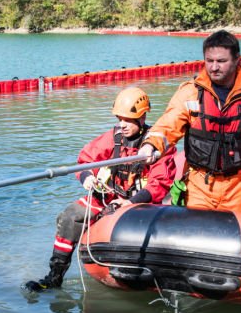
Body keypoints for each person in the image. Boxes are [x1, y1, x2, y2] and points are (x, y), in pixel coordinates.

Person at [24, 87, 177, 292]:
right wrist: (87, 178)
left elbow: (160, 183)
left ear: (142, 117)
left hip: (142, 204)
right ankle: (54, 277)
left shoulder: (157, 146)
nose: (122, 125)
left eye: (128, 120)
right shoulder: (111, 138)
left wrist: (130, 203)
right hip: (108, 198)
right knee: (70, 216)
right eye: (119, 119)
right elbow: (85, 160)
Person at [137, 30, 241, 217]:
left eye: (221, 61)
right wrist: (151, 144)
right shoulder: (190, 92)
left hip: (239, 187)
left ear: (237, 59)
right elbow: (168, 124)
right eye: (209, 60)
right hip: (199, 186)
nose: (214, 67)